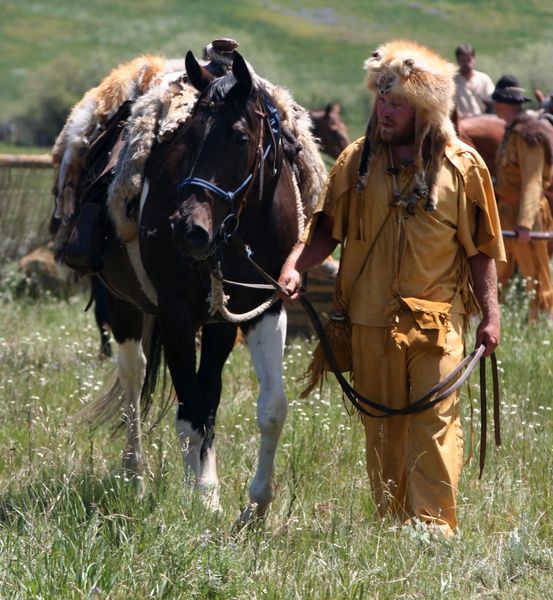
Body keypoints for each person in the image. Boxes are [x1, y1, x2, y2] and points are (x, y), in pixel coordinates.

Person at [278, 40, 505, 537]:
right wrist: (296, 265)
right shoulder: (356, 163)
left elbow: (481, 249)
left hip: (436, 322)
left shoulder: (463, 167)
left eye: (396, 101)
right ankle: (391, 523)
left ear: (423, 108)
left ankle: (433, 527)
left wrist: (490, 315)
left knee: (435, 421)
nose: (384, 109)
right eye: (381, 98)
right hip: (368, 320)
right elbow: (324, 229)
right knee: (382, 428)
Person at [493, 74, 553, 320]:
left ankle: (543, 326)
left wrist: (525, 224)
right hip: (507, 213)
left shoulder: (529, 136)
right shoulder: (511, 132)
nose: (494, 105)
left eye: (497, 101)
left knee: (536, 276)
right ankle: (486, 320)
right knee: (497, 272)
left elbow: (532, 182)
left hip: (525, 216)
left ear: (504, 103)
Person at [453, 43, 495, 119]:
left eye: (468, 60)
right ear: (458, 61)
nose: (466, 64)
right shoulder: (453, 81)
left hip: (482, 120)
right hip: (461, 122)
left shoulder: (483, 79)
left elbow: (492, 101)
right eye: (463, 60)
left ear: (474, 59)